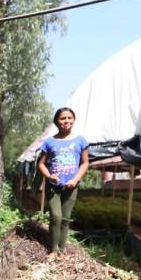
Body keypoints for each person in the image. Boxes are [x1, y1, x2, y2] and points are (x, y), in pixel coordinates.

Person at [37, 107, 89, 256]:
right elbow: (41, 164)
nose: (66, 121)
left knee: (65, 219)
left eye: (69, 118)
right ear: (56, 121)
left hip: (71, 187)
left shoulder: (81, 141)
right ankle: (53, 250)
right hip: (53, 187)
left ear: (73, 120)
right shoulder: (49, 142)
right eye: (62, 118)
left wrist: (75, 180)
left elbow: (85, 163)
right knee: (56, 217)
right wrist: (48, 176)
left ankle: (62, 249)